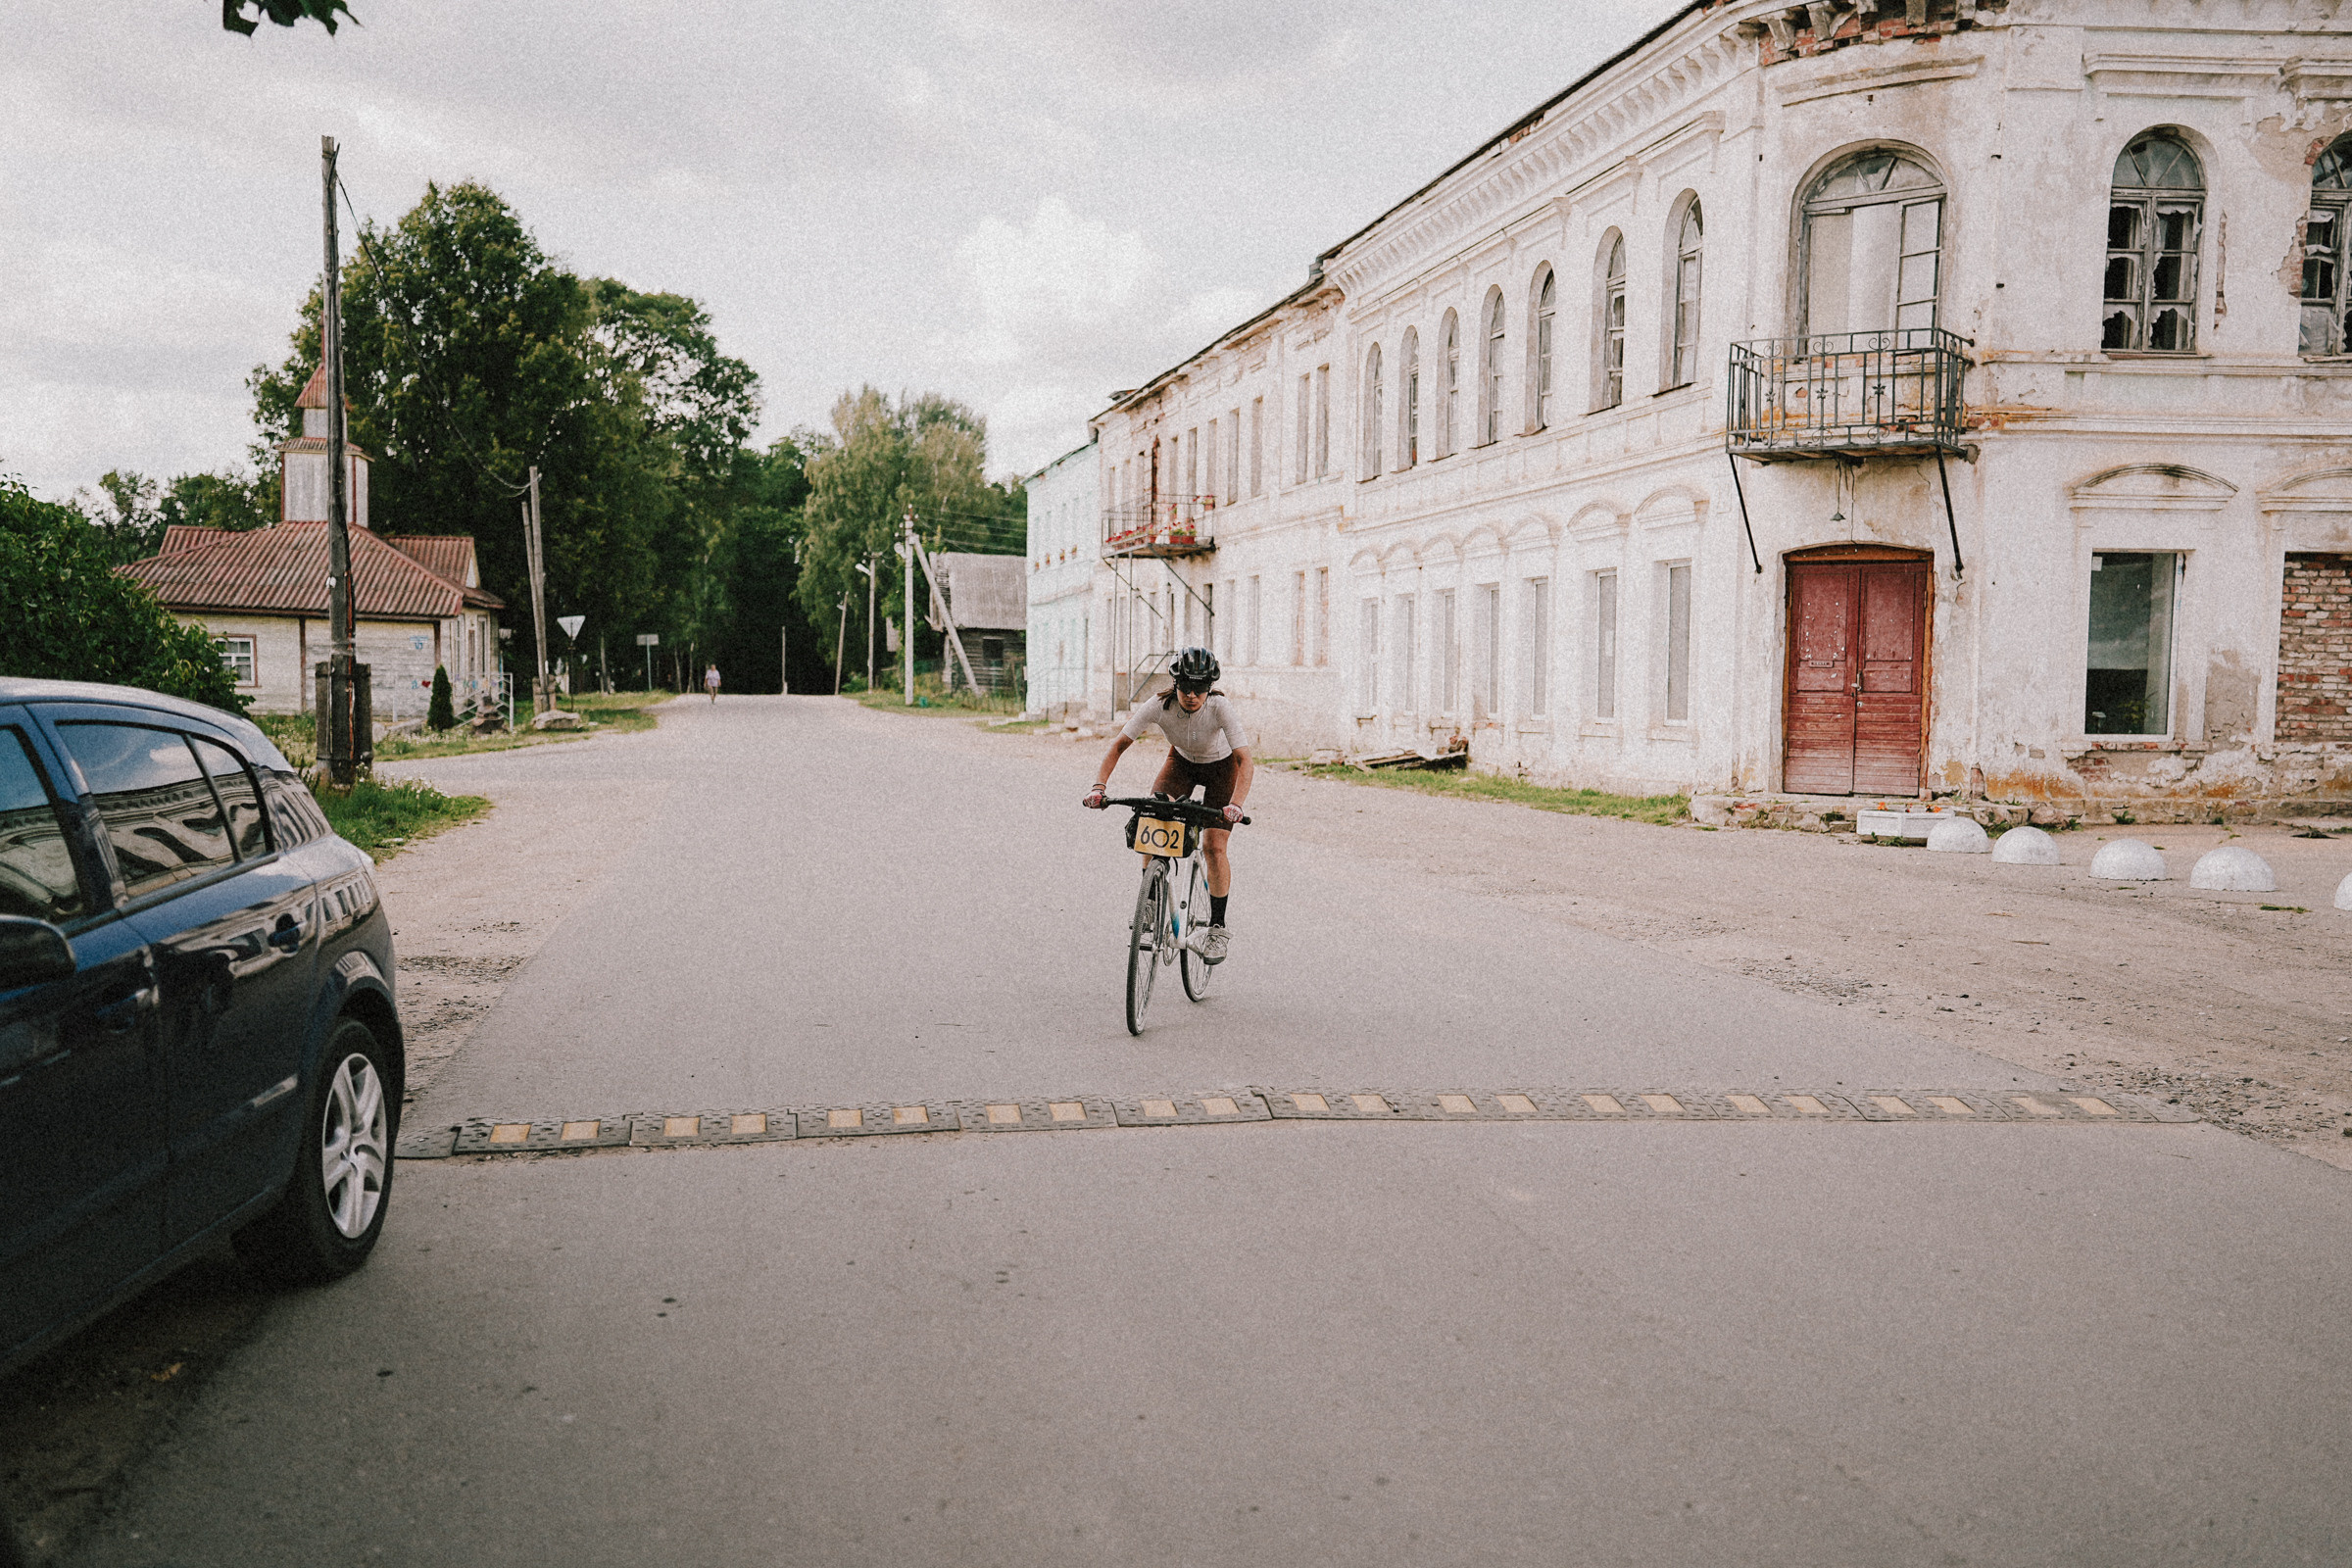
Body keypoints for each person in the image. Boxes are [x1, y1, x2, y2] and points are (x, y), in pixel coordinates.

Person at [1083, 646, 1250, 962]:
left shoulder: (1219, 707)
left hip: (1222, 769)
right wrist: (1098, 787)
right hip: (1181, 764)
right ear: (1175, 683)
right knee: (1152, 819)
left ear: (1209, 687)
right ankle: (1149, 903)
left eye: (1199, 688)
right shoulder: (1159, 705)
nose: (1191, 695)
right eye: (1185, 686)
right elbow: (1119, 746)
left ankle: (1217, 927)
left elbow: (1246, 761)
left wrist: (1236, 805)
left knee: (1214, 845)